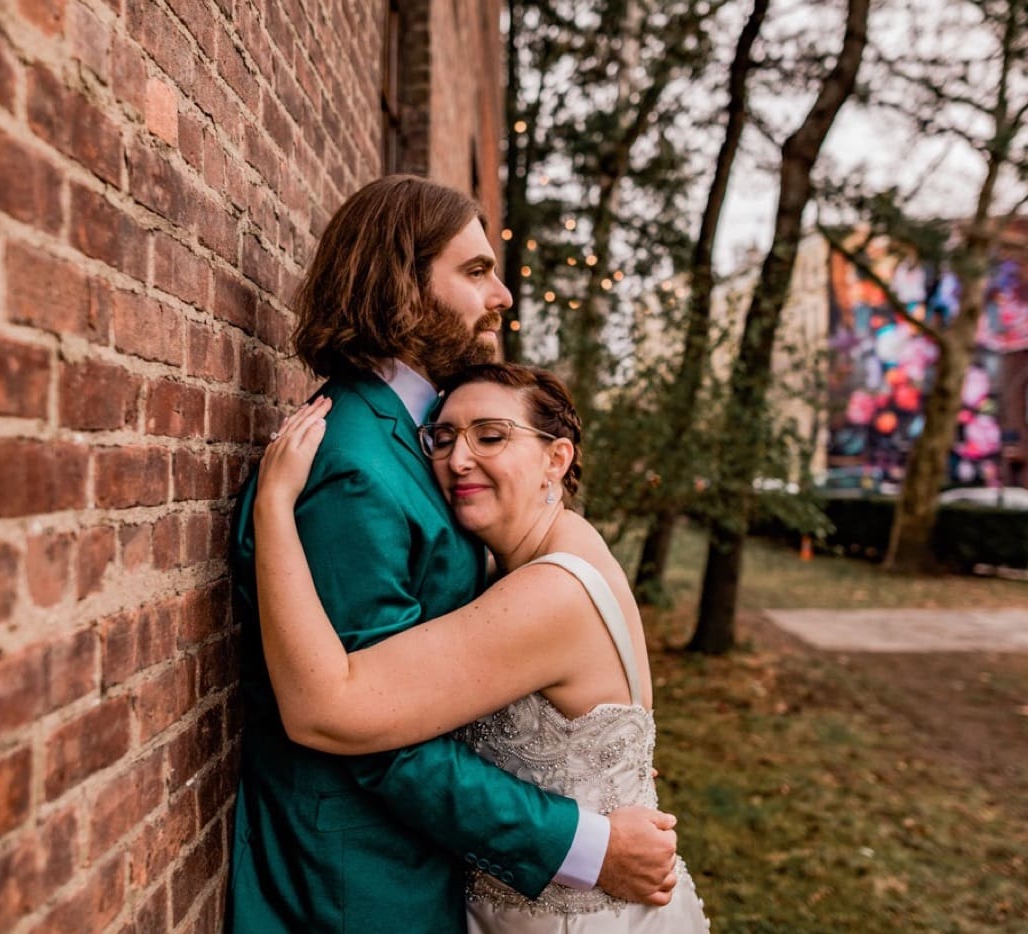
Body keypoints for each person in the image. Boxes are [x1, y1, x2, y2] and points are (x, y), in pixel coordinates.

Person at [226, 175, 679, 933]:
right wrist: (584, 843)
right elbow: (361, 729)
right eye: (475, 272)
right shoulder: (355, 467)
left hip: (427, 865)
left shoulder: (418, 443)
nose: (500, 295)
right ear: (402, 285)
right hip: (357, 886)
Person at [253, 364, 708, 933]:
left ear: (556, 458)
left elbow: (325, 708)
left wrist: (272, 506)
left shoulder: (553, 592)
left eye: (491, 436)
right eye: (442, 438)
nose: (457, 459)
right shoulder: (539, 553)